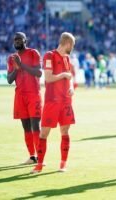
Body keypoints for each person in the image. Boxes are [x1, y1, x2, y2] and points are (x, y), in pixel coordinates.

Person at [31, 32, 76, 173]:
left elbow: (69, 78)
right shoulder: (49, 56)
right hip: (52, 101)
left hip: (66, 101)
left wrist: (70, 87)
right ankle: (39, 165)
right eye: (72, 45)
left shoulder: (67, 59)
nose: (72, 48)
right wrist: (63, 75)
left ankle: (63, 164)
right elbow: (49, 78)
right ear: (67, 43)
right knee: (44, 133)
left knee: (65, 131)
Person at [7, 32, 42, 164]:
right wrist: (16, 68)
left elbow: (39, 73)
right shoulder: (11, 58)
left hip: (33, 94)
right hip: (20, 96)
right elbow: (10, 80)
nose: (16, 41)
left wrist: (22, 66)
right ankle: (32, 156)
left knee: (35, 126)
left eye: (19, 39)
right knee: (26, 127)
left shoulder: (33, 53)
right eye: (14, 40)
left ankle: (40, 156)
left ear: (25, 40)